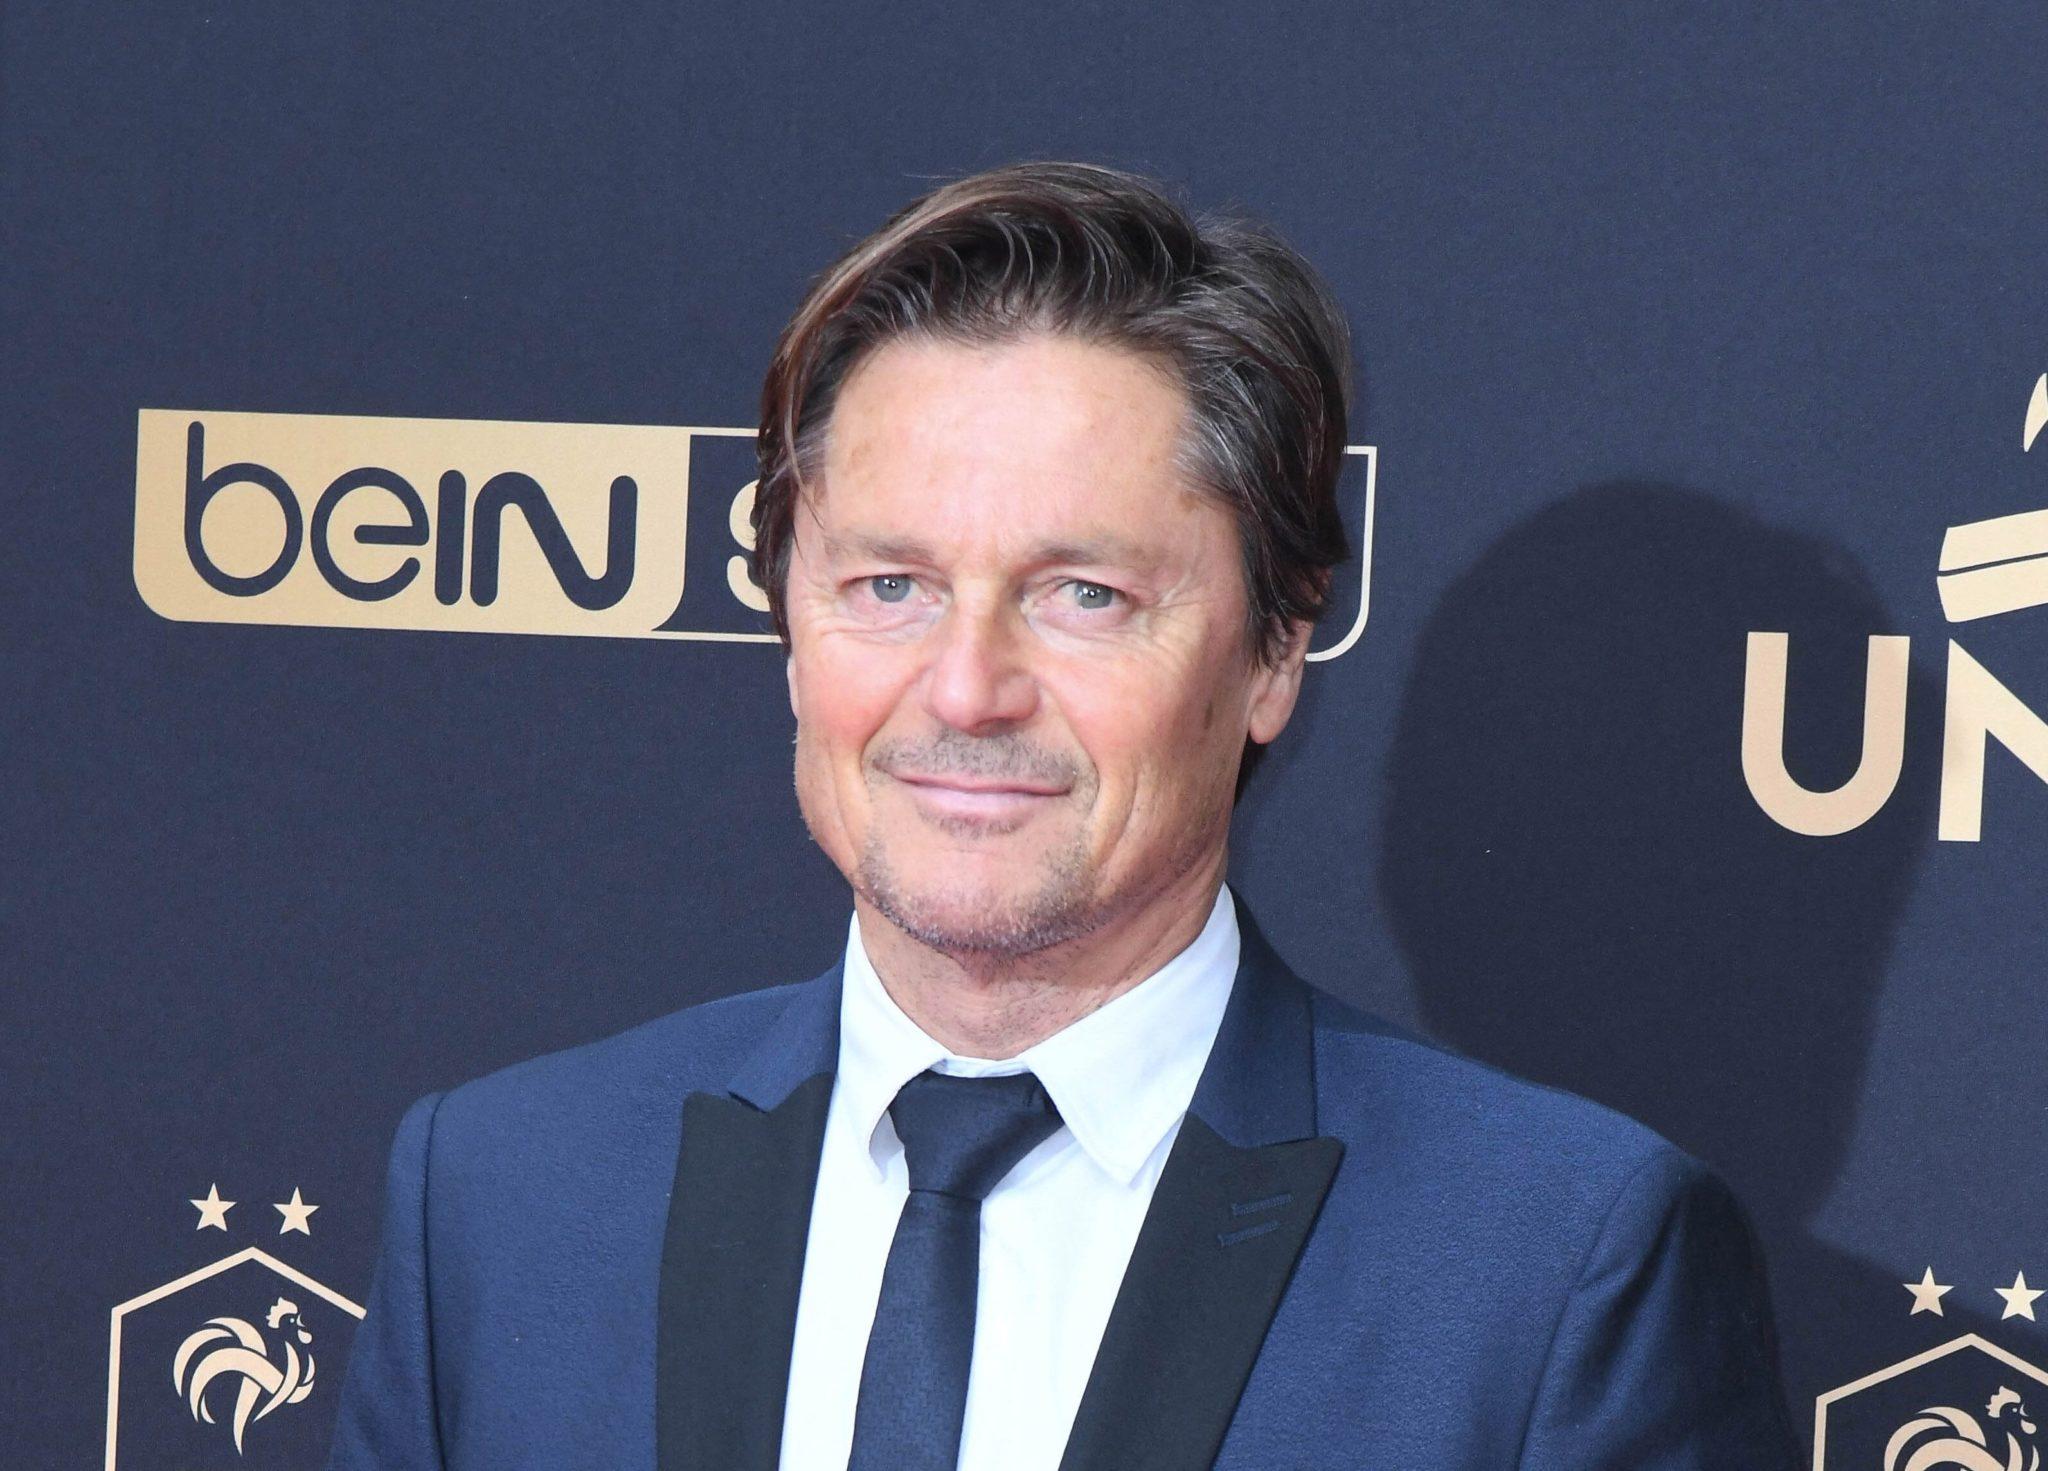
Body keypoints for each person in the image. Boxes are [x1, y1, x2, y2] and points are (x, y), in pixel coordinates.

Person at [325, 161, 1798, 1470]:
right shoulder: (503, 1200)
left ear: (1275, 652)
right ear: (786, 624)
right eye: (888, 585)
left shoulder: (1555, 1269)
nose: (967, 688)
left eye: (1083, 595)